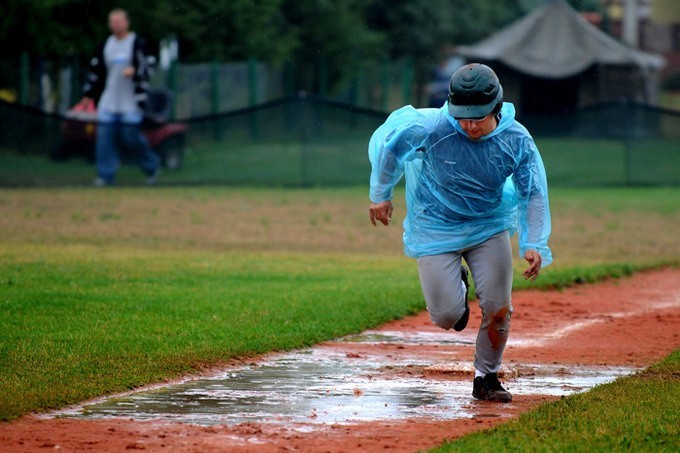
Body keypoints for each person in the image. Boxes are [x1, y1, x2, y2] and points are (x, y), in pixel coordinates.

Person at [368, 63, 552, 403]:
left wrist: (533, 242)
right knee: (446, 317)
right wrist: (381, 194)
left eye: (478, 117)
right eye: (462, 116)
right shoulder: (434, 127)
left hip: (488, 226)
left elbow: (532, 192)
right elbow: (391, 148)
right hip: (436, 227)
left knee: (499, 307)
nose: (468, 125)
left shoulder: (517, 140)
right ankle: (459, 286)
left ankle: (487, 378)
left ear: (496, 109)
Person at [81, 8, 159, 186]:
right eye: (112, 21)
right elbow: (96, 73)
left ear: (126, 22)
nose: (115, 24)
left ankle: (151, 166)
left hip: (131, 103)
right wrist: (88, 95)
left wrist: (136, 71)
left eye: (118, 21)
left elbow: (150, 66)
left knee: (130, 138)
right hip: (109, 102)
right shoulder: (105, 45)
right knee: (104, 139)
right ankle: (106, 176)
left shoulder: (137, 42)